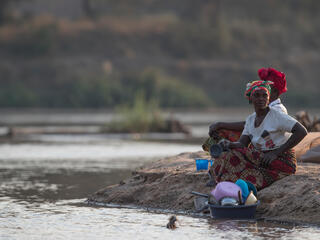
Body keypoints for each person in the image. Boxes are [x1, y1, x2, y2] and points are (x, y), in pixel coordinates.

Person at [208, 80, 307, 190]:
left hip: (282, 160)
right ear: (250, 99)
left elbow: (302, 131)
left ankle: (223, 179)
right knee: (227, 152)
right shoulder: (251, 120)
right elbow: (242, 143)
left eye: (264, 96)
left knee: (236, 155)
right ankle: (219, 177)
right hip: (263, 158)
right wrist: (228, 144)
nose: (261, 99)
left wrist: (275, 153)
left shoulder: (277, 116)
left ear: (268, 98)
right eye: (257, 95)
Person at [202, 67, 288, 152]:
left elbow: (249, 125)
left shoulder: (277, 110)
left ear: (275, 91)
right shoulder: (264, 109)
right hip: (260, 143)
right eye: (258, 94)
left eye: (265, 91)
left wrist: (220, 124)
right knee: (223, 133)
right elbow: (249, 126)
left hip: (268, 148)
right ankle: (219, 152)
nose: (261, 96)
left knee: (224, 131)